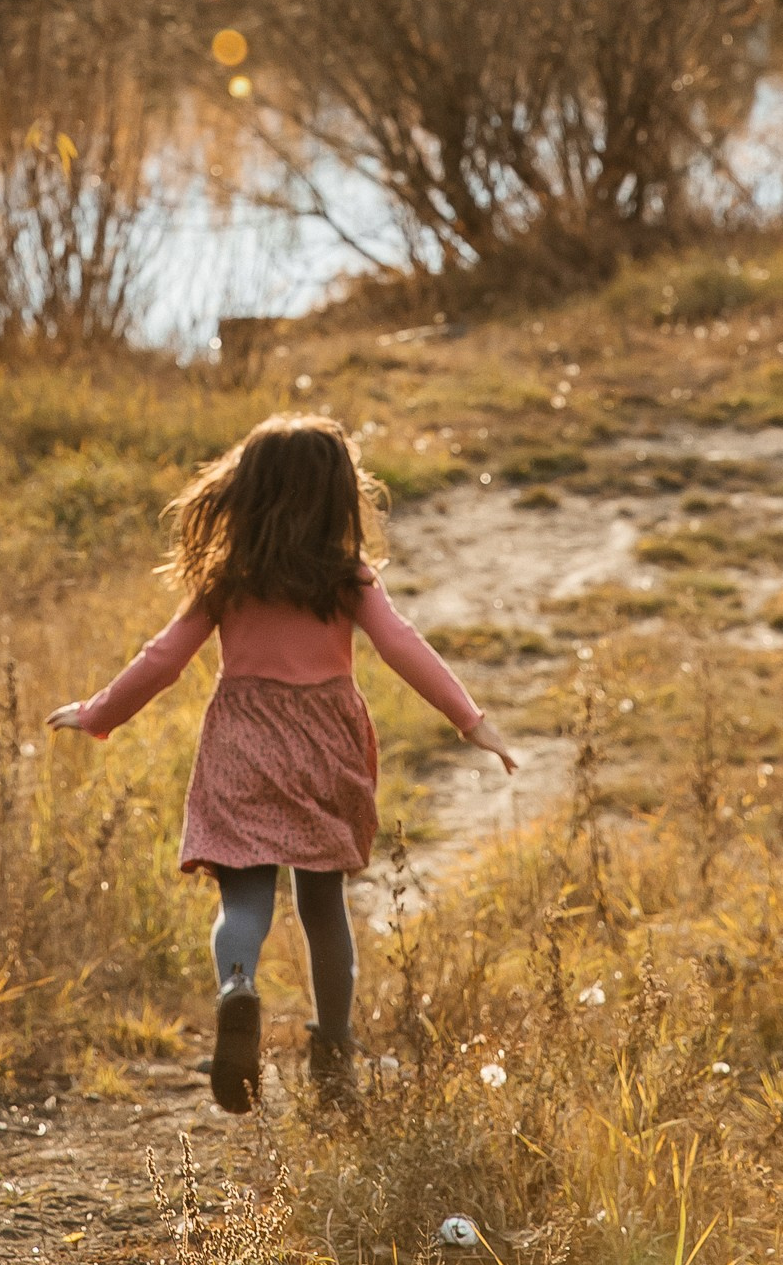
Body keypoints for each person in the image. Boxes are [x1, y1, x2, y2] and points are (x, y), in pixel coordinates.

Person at [47, 410, 517, 1112]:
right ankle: (333, 1058)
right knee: (323, 904)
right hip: (325, 741)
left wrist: (96, 714)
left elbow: (164, 658)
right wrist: (470, 720)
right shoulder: (347, 577)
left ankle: (237, 985)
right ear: (336, 494)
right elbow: (402, 645)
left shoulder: (226, 579)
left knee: (242, 895)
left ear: (247, 489)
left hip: (243, 736)